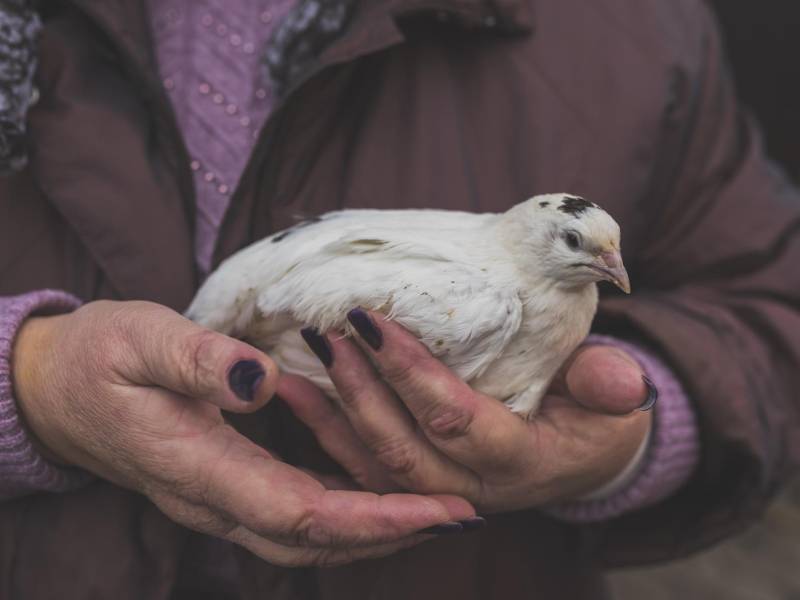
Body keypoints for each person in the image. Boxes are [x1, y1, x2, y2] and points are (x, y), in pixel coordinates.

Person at [0, 0, 798, 599]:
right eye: (585, 251)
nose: (607, 267)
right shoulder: (479, 301)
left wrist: (629, 440)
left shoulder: (640, 29)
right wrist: (26, 382)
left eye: (608, 257)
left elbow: (770, 303)